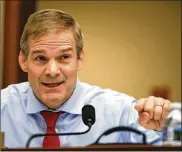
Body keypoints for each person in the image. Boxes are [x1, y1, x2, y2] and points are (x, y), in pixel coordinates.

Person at [1, 9, 171, 148]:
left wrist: (162, 130)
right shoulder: (4, 107)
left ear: (79, 60)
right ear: (23, 61)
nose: (52, 71)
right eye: (40, 58)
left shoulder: (122, 112)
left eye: (64, 57)